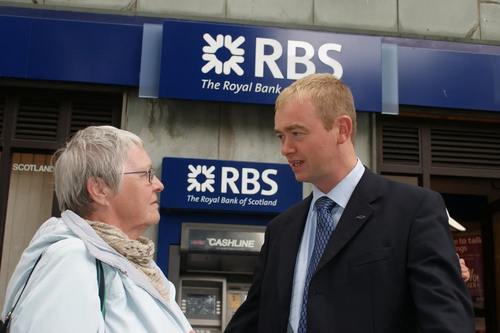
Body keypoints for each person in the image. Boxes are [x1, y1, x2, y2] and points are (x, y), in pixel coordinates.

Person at [225, 74, 475, 333]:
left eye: (297, 133)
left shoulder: (414, 211)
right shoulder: (281, 229)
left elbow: (448, 322)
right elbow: (251, 321)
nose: (285, 148)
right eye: (280, 136)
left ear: (342, 130)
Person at [1, 126, 193, 333]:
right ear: (99, 190)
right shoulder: (72, 258)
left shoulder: (137, 262)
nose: (159, 184)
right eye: (146, 174)